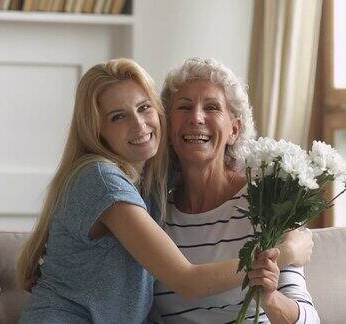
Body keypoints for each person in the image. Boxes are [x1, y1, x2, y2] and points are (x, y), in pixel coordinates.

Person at [17, 58, 308, 324]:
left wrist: (284, 207)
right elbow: (187, 281)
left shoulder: (153, 186)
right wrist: (284, 253)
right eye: (118, 117)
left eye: (144, 108)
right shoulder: (103, 179)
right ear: (96, 130)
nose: (139, 124)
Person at [151, 57, 320, 323]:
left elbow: (310, 320)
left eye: (211, 107)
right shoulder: (154, 211)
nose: (196, 117)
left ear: (234, 129)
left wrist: (271, 298)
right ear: (168, 128)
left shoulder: (269, 203)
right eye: (184, 107)